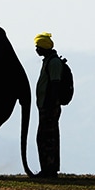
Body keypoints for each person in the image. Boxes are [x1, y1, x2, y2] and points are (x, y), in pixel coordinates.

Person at [34, 32, 63, 178]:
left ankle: (49, 170)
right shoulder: (49, 61)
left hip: (49, 108)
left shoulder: (54, 63)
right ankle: (47, 168)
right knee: (45, 138)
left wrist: (50, 105)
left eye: (38, 46)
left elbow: (55, 84)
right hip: (46, 107)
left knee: (47, 138)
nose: (36, 49)